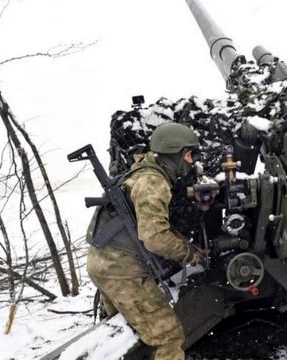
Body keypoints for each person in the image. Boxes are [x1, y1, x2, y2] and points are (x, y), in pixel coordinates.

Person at [86, 122, 205, 360]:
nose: (192, 162)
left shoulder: (143, 171)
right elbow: (155, 238)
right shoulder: (153, 182)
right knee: (168, 337)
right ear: (176, 155)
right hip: (122, 272)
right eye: (189, 155)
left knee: (127, 335)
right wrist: (190, 253)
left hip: (104, 263)